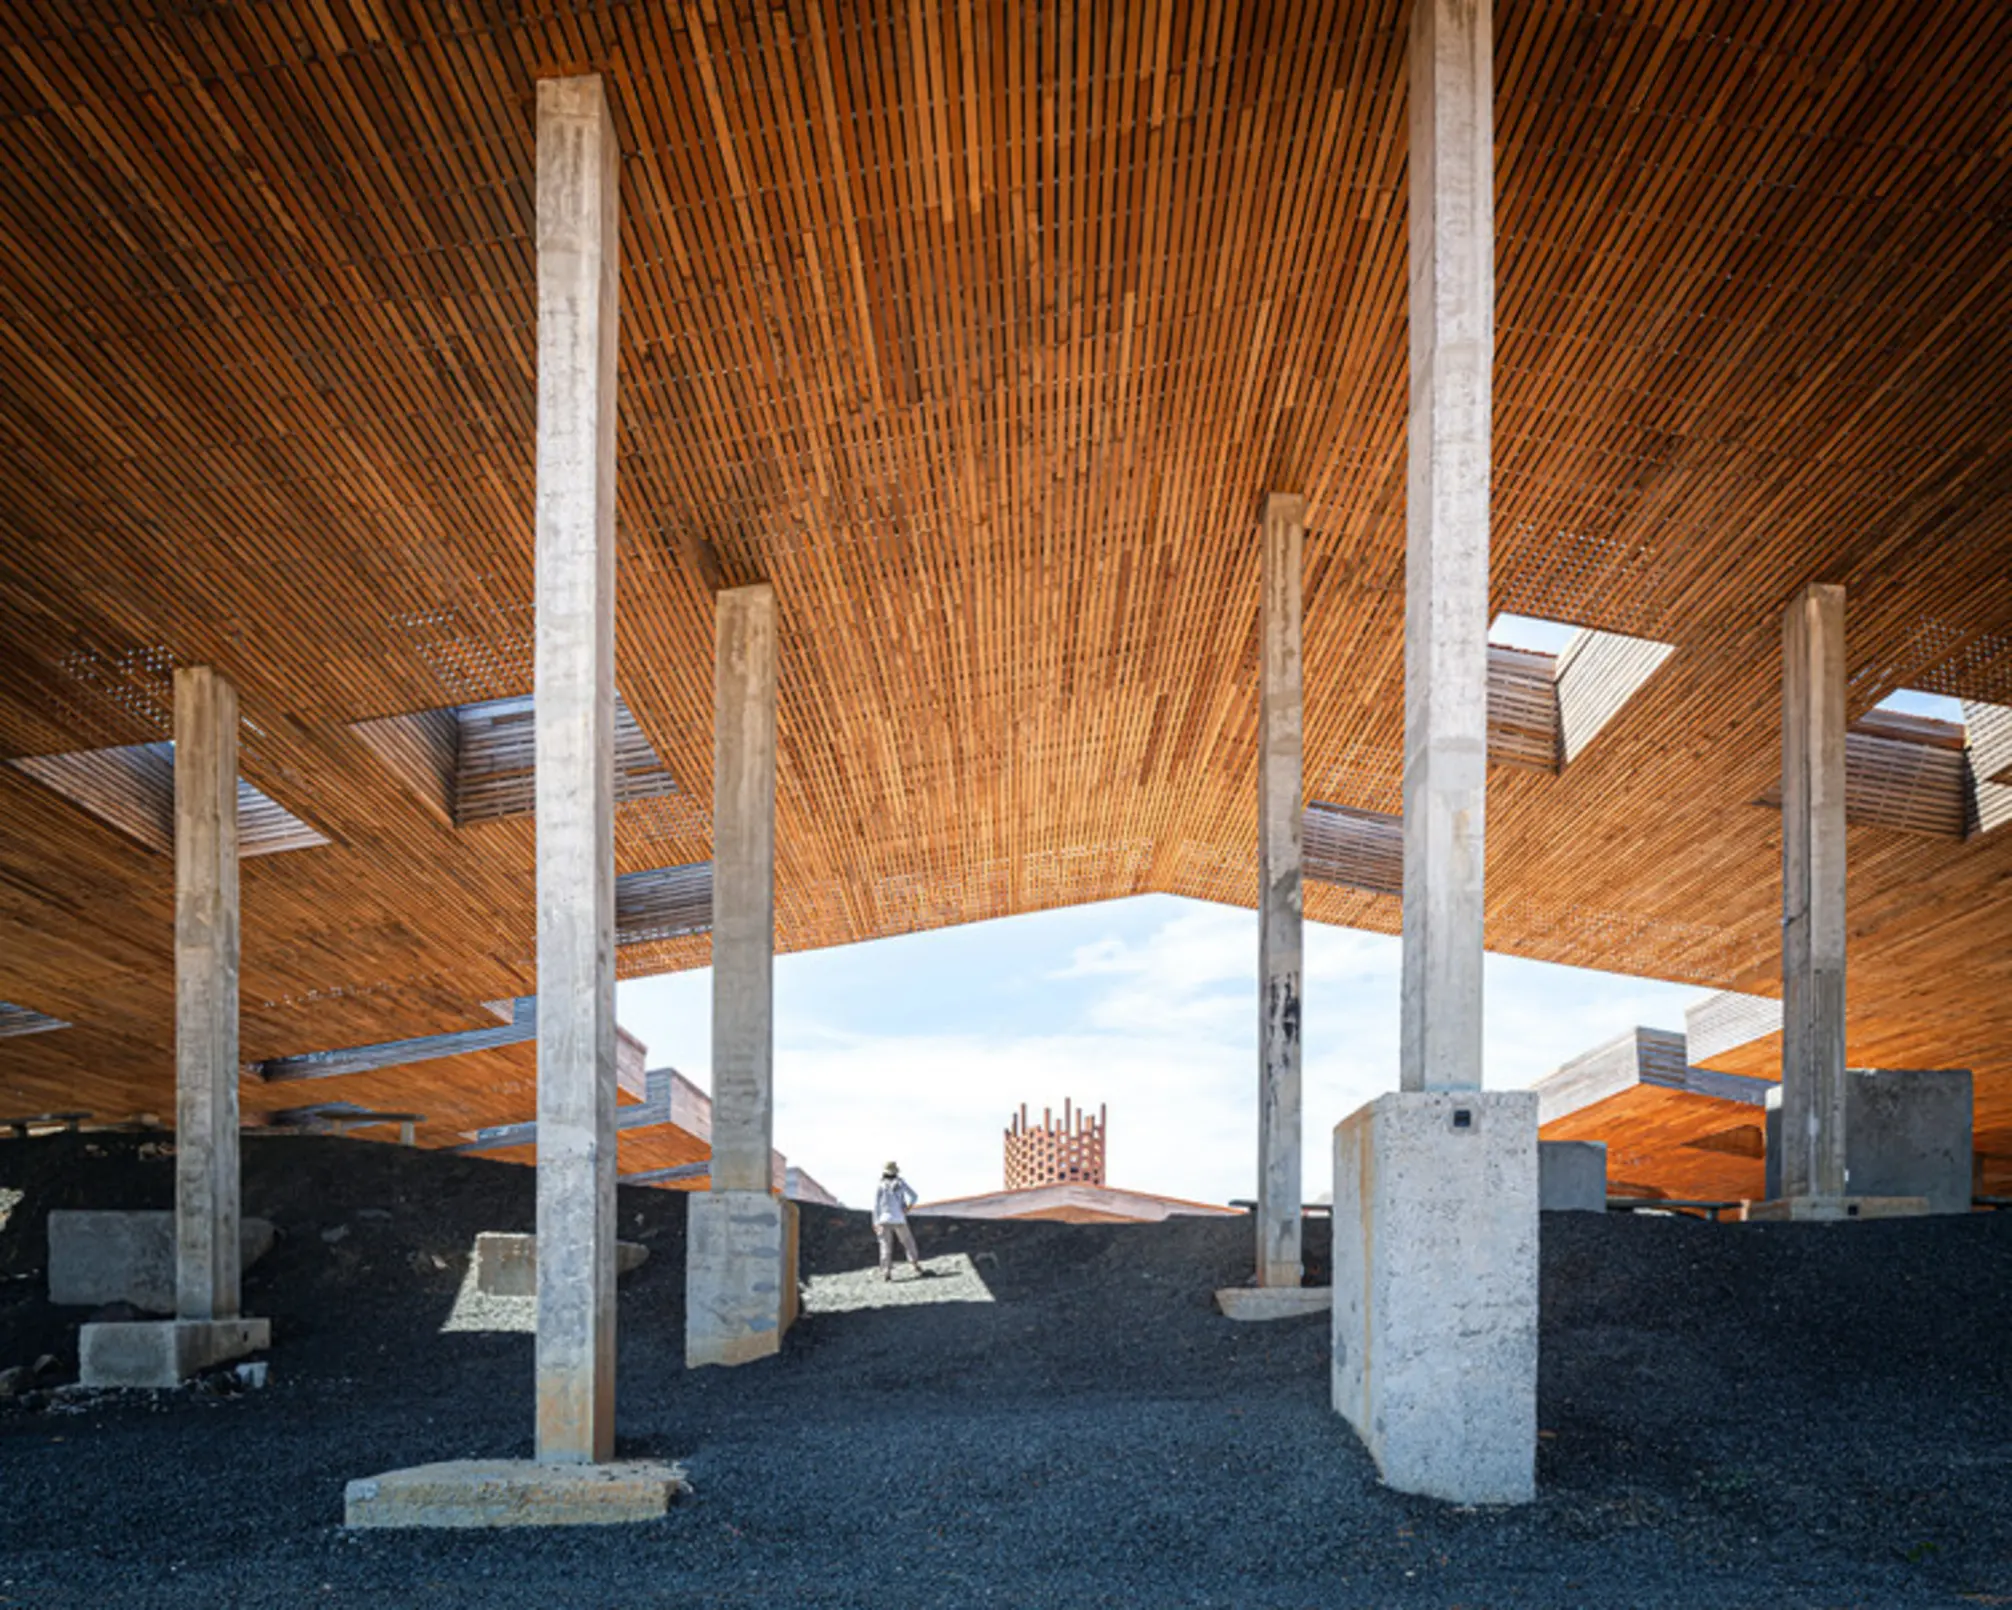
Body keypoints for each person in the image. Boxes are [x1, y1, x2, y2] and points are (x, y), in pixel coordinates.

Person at [873, 1161, 925, 1280]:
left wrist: (875, 1222)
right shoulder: (900, 1183)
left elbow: (876, 1206)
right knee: (907, 1241)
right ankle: (915, 1264)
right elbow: (914, 1196)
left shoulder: (880, 1185)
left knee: (885, 1245)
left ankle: (886, 1271)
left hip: (884, 1219)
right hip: (899, 1217)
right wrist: (907, 1208)